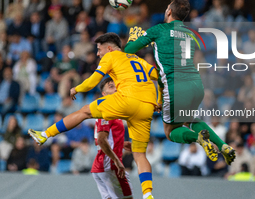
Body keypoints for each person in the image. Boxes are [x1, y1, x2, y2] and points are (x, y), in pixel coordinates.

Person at [29, 33, 158, 199]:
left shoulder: (111, 57)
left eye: (99, 49)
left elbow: (93, 80)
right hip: (147, 107)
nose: (98, 53)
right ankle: (148, 194)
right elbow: (161, 77)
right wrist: (159, 100)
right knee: (140, 155)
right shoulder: (138, 60)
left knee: (83, 111)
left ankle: (45, 134)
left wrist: (77, 88)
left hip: (127, 102)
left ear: (109, 48)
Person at [124, 0, 236, 165]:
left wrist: (133, 37)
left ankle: (199, 139)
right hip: (196, 85)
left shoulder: (159, 29)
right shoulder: (190, 33)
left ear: (169, 11)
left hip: (176, 86)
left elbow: (128, 51)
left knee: (170, 132)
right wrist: (161, 98)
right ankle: (222, 145)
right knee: (190, 120)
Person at [92, 77, 133, 199]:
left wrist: (120, 143)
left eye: (116, 86)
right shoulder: (107, 110)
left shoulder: (111, 110)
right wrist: (116, 161)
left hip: (101, 165)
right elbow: (101, 140)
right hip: (109, 165)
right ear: (104, 94)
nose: (116, 88)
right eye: (111, 86)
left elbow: (99, 139)